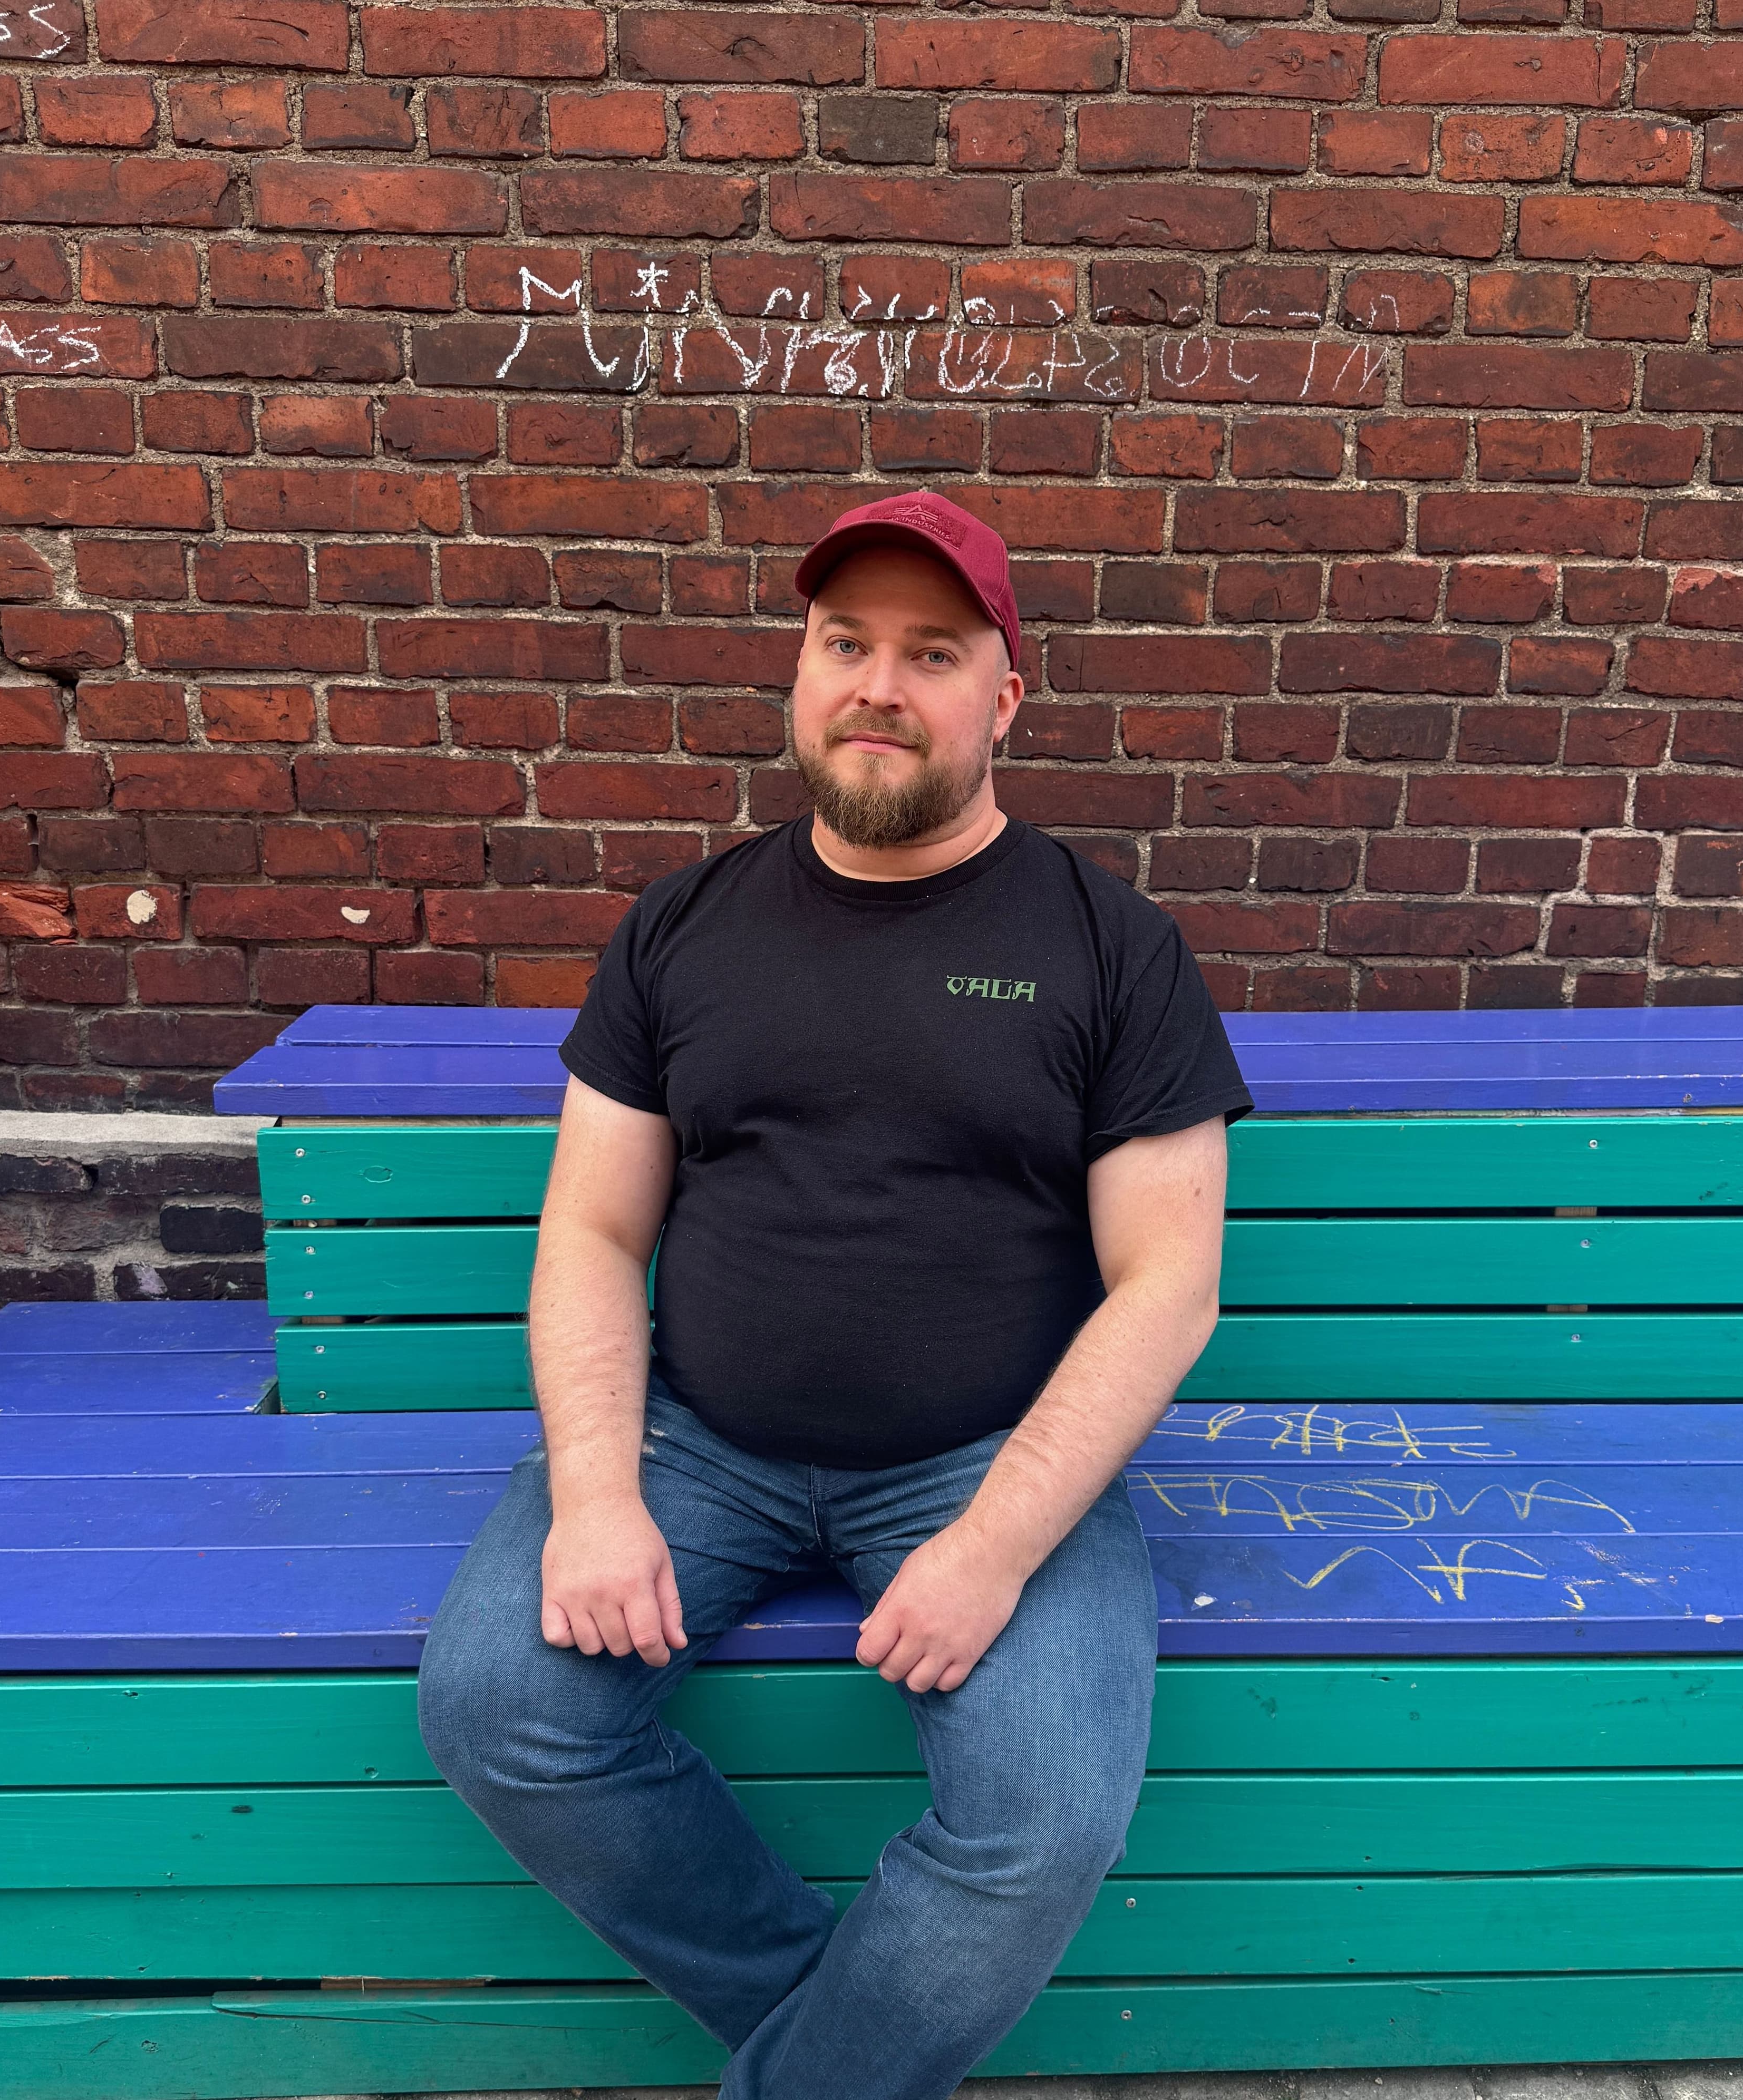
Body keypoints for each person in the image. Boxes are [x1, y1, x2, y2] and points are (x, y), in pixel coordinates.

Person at [418, 488, 1254, 2097]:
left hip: (986, 1458)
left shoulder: (1112, 946)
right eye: (843, 644)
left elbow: (1169, 1285)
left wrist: (991, 1548)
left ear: (1005, 699)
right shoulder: (683, 928)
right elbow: (591, 1230)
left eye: (933, 653)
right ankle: (837, 2047)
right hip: (700, 1444)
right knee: (499, 1706)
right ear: (799, 674)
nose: (879, 685)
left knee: (1041, 1820)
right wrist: (597, 1497)